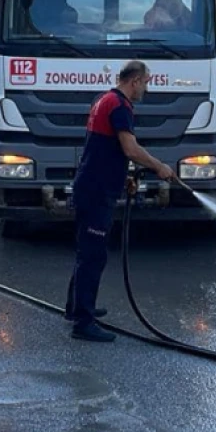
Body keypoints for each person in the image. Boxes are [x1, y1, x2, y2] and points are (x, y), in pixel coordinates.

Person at [65, 60, 176, 342]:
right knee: (93, 255)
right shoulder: (120, 106)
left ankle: (75, 307)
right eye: (146, 82)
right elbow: (130, 148)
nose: (146, 89)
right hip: (96, 191)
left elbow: (108, 148)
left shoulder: (104, 98)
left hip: (92, 185)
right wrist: (158, 166)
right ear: (135, 81)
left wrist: (123, 174)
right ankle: (83, 323)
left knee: (86, 252)